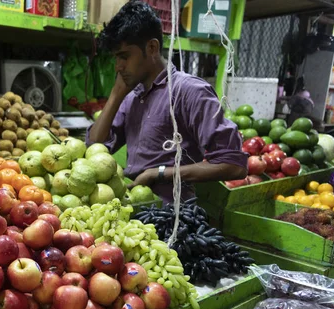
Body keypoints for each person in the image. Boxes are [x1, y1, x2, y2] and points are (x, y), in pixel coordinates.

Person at [87, 0, 248, 204]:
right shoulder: (132, 97)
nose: (118, 66)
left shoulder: (190, 92)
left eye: (124, 56)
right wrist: (115, 95)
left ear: (152, 47)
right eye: (116, 58)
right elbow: (94, 149)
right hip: (134, 210)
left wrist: (160, 173)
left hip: (174, 218)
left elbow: (234, 165)